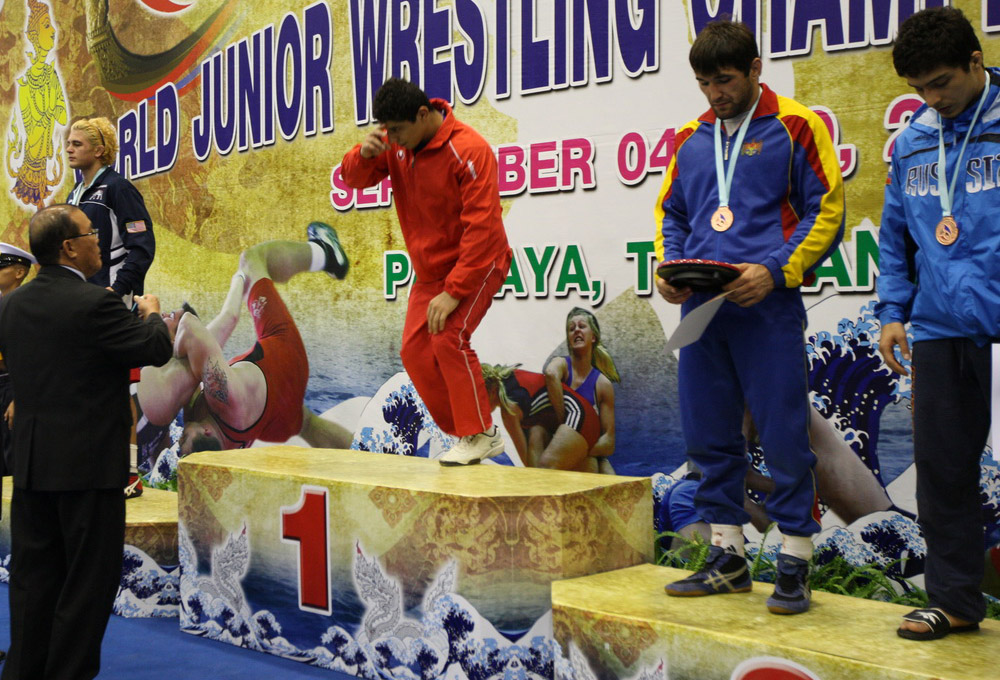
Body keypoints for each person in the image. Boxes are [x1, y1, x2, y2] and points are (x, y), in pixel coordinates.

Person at [654, 19, 844, 615]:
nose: (716, 93)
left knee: (784, 434)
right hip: (703, 309)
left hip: (766, 305)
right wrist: (669, 268)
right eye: (705, 83)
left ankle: (795, 561)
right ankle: (727, 558)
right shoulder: (690, 138)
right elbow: (672, 214)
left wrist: (776, 270)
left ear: (756, 69)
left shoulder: (796, 125)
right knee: (709, 435)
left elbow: (827, 210)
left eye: (726, 80)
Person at [0, 204, 171, 679]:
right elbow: (155, 349)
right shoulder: (95, 303)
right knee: (87, 583)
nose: (99, 240)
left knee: (33, 580)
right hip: (88, 470)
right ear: (70, 248)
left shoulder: (11, 305)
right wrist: (152, 315)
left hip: (32, 466)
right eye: (91, 232)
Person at [877, 6, 996, 641]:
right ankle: (954, 601)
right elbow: (895, 237)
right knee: (943, 467)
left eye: (941, 83)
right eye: (919, 88)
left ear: (976, 61)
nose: (931, 99)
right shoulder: (913, 140)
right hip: (941, 324)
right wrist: (893, 311)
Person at [340, 78, 512, 467]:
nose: (392, 139)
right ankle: (469, 435)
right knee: (415, 353)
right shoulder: (397, 145)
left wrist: (454, 291)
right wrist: (362, 156)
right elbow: (353, 180)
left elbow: (483, 229)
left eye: (397, 130)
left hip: (480, 262)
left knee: (449, 337)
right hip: (431, 272)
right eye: (386, 130)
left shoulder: (469, 150)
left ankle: (479, 433)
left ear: (423, 114)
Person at [136, 224, 352, 456]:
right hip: (283, 364)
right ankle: (325, 253)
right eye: (184, 440)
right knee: (252, 259)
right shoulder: (220, 395)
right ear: (206, 432)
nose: (180, 443)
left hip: (273, 422)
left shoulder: (213, 441)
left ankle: (365, 456)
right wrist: (171, 350)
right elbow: (196, 325)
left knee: (306, 423)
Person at [66, 116, 154, 301]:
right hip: (82, 296)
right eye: (69, 143)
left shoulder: (118, 188)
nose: (69, 149)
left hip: (112, 295)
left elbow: (141, 245)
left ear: (98, 150)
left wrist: (118, 288)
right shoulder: (75, 193)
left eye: (77, 144)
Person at [0, 243, 34, 667]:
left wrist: (21, 394)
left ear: (19, 272)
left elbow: (37, 359)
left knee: (13, 476)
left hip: (12, 390)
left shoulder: (25, 307)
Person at [481, 364, 603, 472]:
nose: (478, 407)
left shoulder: (509, 409)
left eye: (480, 399)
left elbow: (525, 459)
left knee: (544, 469)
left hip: (579, 416)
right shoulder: (509, 378)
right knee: (536, 433)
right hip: (577, 418)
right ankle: (587, 465)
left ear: (493, 390)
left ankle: (587, 464)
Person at [542, 307, 618, 472]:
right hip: (555, 442)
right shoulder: (561, 364)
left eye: (582, 326)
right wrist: (566, 426)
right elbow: (550, 373)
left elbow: (609, 441)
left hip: (589, 450)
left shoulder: (602, 384)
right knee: (536, 435)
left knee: (606, 472)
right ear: (569, 339)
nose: (576, 330)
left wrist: (577, 448)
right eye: (571, 328)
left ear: (593, 337)